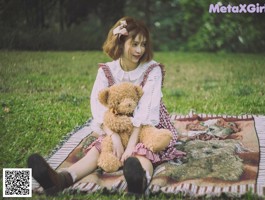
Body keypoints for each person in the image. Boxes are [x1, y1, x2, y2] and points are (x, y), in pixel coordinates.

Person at [27, 16, 185, 196]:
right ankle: (61, 179)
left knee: (143, 152)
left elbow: (147, 109)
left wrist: (132, 144)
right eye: (134, 44)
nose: (140, 50)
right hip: (115, 124)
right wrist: (114, 136)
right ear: (120, 42)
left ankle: (139, 180)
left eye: (143, 44)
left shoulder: (151, 69)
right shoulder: (106, 70)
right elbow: (98, 107)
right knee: (100, 148)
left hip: (144, 126)